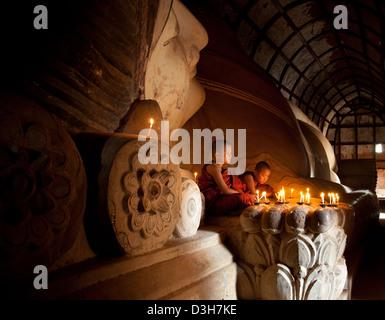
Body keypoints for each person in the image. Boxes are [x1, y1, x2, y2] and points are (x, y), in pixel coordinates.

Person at [198, 140, 256, 216]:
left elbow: (231, 187)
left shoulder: (222, 169)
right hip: (213, 203)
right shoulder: (213, 168)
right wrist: (247, 196)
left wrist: (244, 194)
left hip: (221, 198)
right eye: (227, 153)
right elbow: (225, 190)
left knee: (242, 194)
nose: (230, 155)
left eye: (230, 153)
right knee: (241, 198)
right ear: (217, 155)